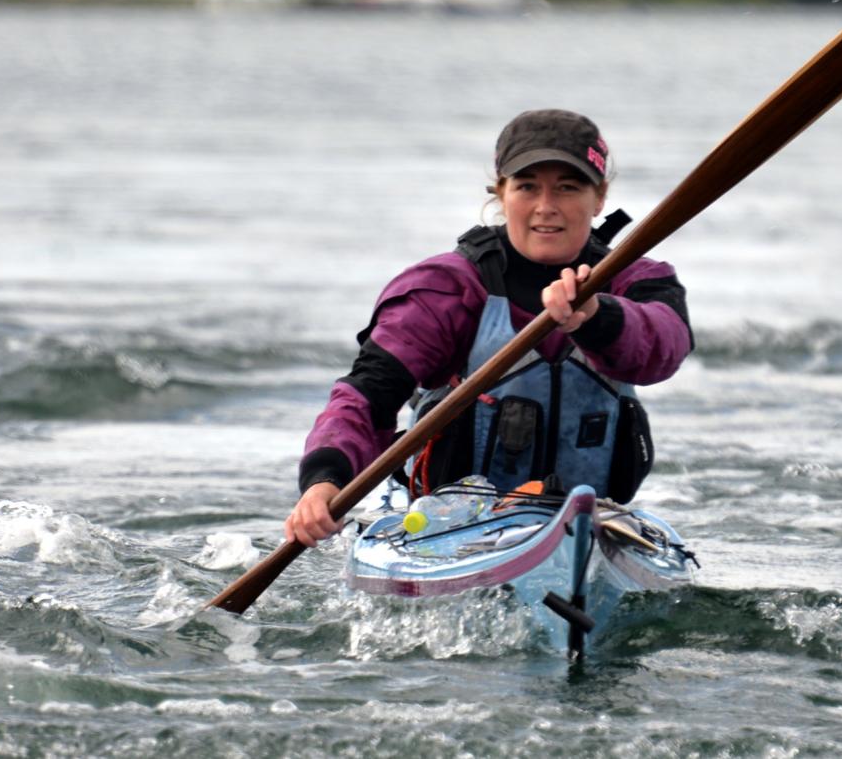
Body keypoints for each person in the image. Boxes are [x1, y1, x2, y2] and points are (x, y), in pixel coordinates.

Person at [284, 109, 693, 547]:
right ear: (501, 193)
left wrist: (598, 317)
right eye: (527, 186)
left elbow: (663, 350)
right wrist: (324, 478)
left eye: (568, 187)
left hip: (589, 524)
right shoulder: (446, 288)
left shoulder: (638, 281)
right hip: (452, 528)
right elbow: (369, 393)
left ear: (599, 198)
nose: (546, 206)